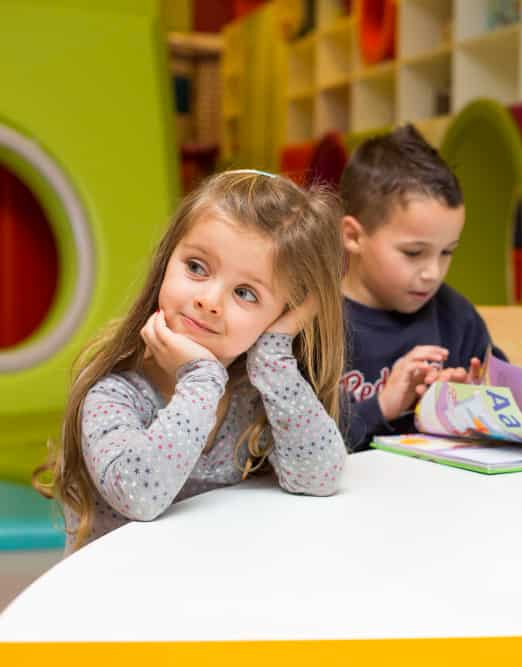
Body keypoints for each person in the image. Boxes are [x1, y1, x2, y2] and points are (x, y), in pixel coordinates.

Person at [35, 170, 349, 552]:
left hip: (209, 589)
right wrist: (199, 379)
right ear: (167, 261)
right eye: (197, 267)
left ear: (281, 315)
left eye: (246, 293)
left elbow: (320, 476)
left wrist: (274, 356)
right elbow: (139, 495)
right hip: (118, 596)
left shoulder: (256, 394)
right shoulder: (115, 391)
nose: (210, 300)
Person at [338, 125, 504, 451]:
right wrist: (381, 407)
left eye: (447, 252)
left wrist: (473, 402)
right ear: (354, 236)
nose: (432, 273)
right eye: (414, 253)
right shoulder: (311, 322)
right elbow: (292, 447)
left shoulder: (455, 316)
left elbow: (509, 405)